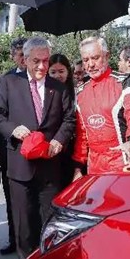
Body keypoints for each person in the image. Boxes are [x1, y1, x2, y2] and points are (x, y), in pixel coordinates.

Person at [0, 37, 76, 259]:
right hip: (20, 166)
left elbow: (69, 119)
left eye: (45, 61)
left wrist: (59, 140)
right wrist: (13, 129)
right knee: (24, 223)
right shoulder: (9, 83)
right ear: (26, 60)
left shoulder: (58, 87)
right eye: (36, 61)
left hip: (50, 164)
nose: (41, 66)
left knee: (49, 220)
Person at [73, 37, 130, 176]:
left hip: (121, 163)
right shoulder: (81, 91)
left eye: (95, 58)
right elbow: (82, 134)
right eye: (85, 60)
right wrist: (78, 167)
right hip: (93, 167)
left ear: (107, 56)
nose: (90, 64)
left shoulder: (125, 81)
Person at [0, 37, 28, 256]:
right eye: (20, 55)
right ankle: (15, 238)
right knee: (13, 196)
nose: (24, 59)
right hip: (10, 147)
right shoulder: (4, 80)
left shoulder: (42, 77)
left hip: (36, 147)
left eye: (26, 54)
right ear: (13, 57)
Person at [49, 53, 76, 190]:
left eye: (61, 71)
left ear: (68, 72)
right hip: (52, 148)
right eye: (53, 72)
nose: (57, 76)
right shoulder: (44, 93)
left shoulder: (76, 91)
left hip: (73, 148)